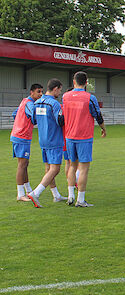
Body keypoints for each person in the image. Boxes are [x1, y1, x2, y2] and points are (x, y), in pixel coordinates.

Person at [62, 71, 106, 207]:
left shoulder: (65, 96)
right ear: (86, 83)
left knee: (72, 166)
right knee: (84, 168)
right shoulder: (89, 98)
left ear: (74, 82)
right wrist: (103, 128)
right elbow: (98, 115)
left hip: (69, 137)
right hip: (84, 137)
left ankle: (70, 196)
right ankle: (80, 200)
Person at [27, 79, 67, 208]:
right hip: (54, 139)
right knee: (55, 169)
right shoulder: (54, 104)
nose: (59, 93)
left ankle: (56, 195)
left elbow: (33, 120)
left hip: (43, 139)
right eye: (60, 90)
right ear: (55, 89)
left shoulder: (37, 102)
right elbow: (60, 121)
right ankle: (36, 193)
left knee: (48, 168)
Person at [11, 83, 43, 202]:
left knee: (25, 163)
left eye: (41, 92)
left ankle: (28, 189)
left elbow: (15, 114)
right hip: (22, 137)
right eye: (38, 92)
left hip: (19, 136)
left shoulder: (24, 101)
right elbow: (34, 117)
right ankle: (20, 194)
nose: (40, 94)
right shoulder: (30, 104)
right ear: (32, 92)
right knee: (22, 165)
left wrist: (21, 123)